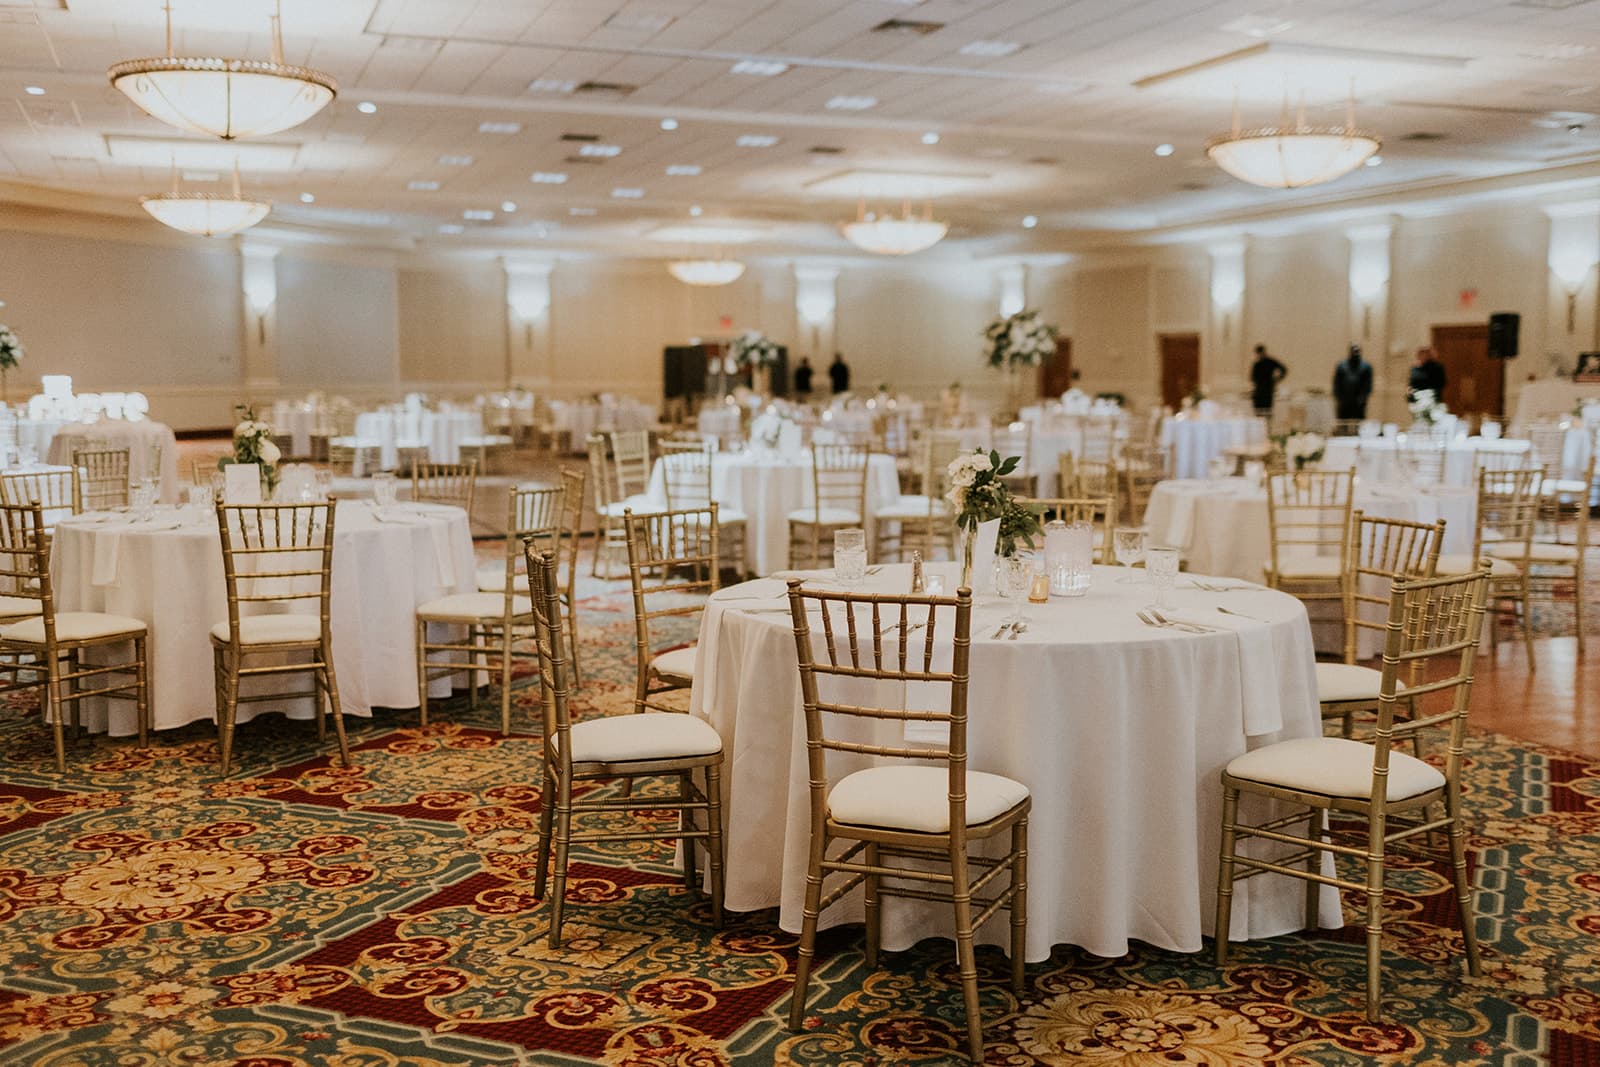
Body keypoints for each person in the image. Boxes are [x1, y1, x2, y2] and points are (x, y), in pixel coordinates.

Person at [1332, 344, 1374, 421]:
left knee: (1359, 422)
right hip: (1344, 400)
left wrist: (1363, 397)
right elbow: (1337, 383)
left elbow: (1368, 385)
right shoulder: (1342, 366)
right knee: (1343, 422)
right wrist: (1339, 397)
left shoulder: (1366, 367)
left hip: (1359, 401)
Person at [1249, 343, 1287, 415]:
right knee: (1265, 411)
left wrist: (1277, 379)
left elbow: (1253, 378)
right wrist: (1277, 379)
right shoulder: (1266, 362)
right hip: (1264, 390)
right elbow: (1283, 369)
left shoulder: (1260, 363)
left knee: (1263, 411)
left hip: (1264, 390)